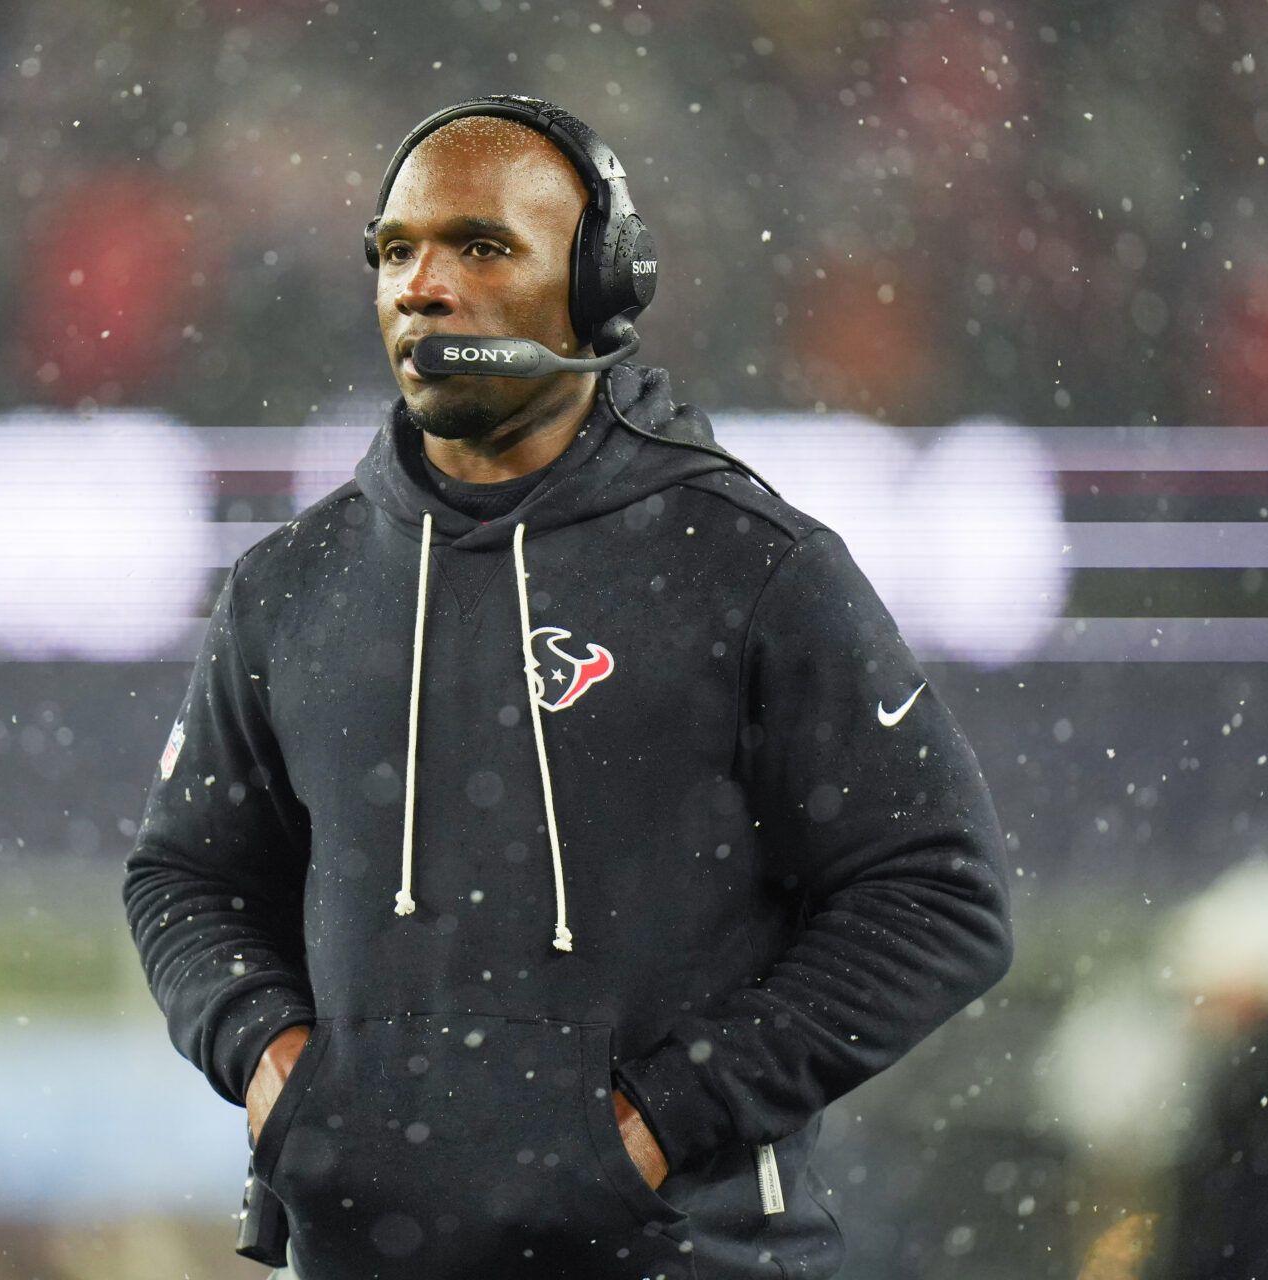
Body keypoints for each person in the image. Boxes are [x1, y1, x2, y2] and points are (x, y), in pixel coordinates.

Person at [122, 94, 1014, 1279]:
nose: (421, 286)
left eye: (480, 246)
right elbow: (186, 874)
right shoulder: (288, 588)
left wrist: (655, 1124)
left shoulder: (752, 568)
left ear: (600, 286)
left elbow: (939, 895)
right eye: (395, 250)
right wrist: (277, 1067)